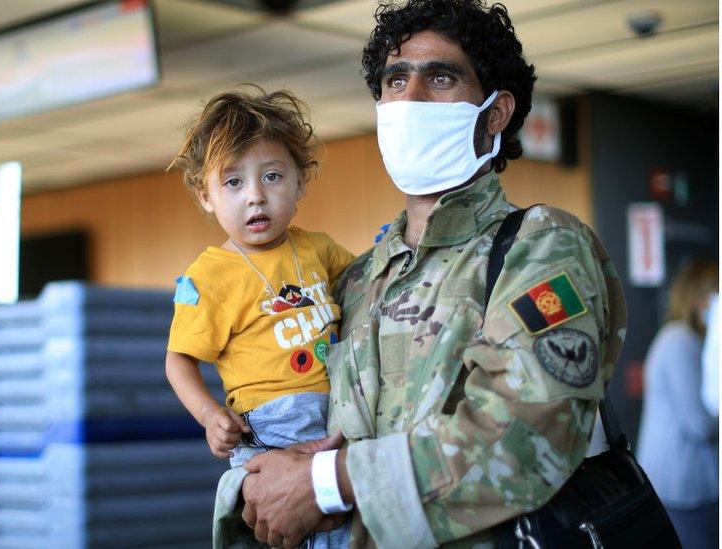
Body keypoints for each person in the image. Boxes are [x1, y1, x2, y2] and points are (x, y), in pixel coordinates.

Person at [232, 1, 628, 547]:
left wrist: (330, 482)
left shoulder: (540, 246)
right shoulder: (355, 281)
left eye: (440, 76)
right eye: (396, 79)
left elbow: (524, 437)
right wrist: (267, 476)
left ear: (495, 113)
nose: (410, 99)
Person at [164, 88, 355, 547]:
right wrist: (210, 415)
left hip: (338, 415)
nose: (255, 197)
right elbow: (179, 360)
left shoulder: (317, 248)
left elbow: (368, 288)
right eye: (233, 183)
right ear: (205, 195)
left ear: (301, 182)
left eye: (272, 176)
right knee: (292, 529)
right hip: (270, 430)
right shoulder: (209, 277)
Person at [637, 260, 719, 549]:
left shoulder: (693, 340)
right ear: (698, 296)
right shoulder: (679, 341)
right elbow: (701, 424)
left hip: (692, 484)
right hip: (682, 487)